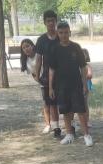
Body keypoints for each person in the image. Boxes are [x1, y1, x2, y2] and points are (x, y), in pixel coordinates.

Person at [48, 22, 92, 147]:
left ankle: (86, 135)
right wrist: (50, 87)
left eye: (66, 32)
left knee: (81, 110)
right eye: (61, 33)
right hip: (61, 85)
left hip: (76, 84)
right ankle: (69, 134)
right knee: (65, 110)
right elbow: (52, 69)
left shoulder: (76, 47)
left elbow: (83, 67)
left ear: (70, 33)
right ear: (57, 33)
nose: (64, 35)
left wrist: (85, 84)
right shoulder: (54, 49)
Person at [35, 10, 62, 138]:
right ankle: (56, 127)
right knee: (51, 103)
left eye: (53, 20)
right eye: (48, 21)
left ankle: (71, 124)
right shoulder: (41, 40)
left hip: (63, 74)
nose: (51, 23)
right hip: (47, 76)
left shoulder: (61, 36)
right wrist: (37, 74)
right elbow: (39, 59)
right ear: (45, 22)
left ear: (56, 21)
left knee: (67, 101)